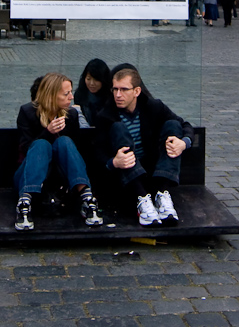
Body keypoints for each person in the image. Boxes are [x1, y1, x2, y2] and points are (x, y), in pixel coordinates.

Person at [95, 68, 194, 227]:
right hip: (127, 179)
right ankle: (142, 200)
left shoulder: (153, 107)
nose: (118, 95)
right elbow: (97, 152)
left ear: (137, 91)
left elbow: (185, 126)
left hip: (154, 172)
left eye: (124, 89)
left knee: (173, 125)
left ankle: (162, 194)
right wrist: (114, 162)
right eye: (115, 89)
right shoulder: (105, 116)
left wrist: (183, 143)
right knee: (118, 129)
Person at [13, 72, 102, 231]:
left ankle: (87, 198)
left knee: (64, 141)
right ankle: (24, 203)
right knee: (41, 144)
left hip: (60, 178)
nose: (71, 97)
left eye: (71, 92)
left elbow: (74, 152)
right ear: (52, 95)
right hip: (29, 175)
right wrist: (47, 132)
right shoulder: (27, 112)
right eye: (66, 93)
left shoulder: (72, 115)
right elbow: (27, 150)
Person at [73, 58, 112, 127]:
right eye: (88, 79)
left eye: (96, 80)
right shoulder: (80, 94)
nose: (91, 83)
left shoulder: (112, 96)